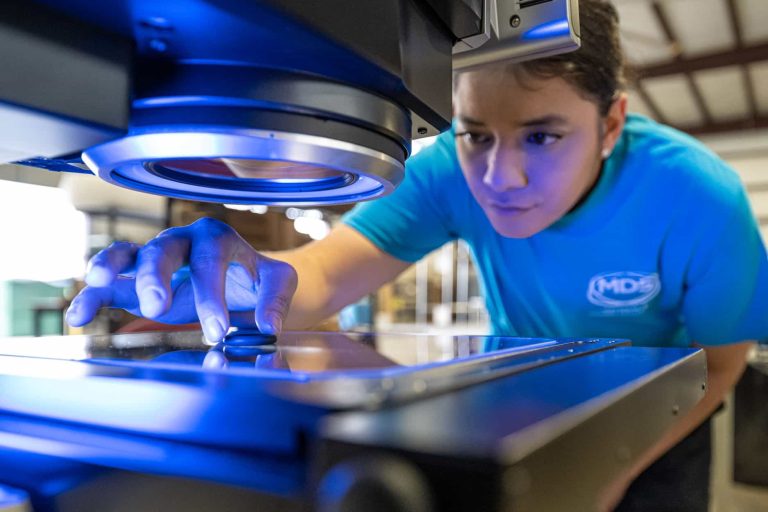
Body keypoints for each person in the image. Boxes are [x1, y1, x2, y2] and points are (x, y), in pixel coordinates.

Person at [65, 0, 767, 510]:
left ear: (610, 122)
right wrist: (241, 286)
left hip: (664, 428)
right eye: (475, 134)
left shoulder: (698, 197)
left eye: (543, 137)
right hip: (523, 411)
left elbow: (722, 364)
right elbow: (323, 274)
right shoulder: (450, 174)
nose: (500, 178)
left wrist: (611, 471)